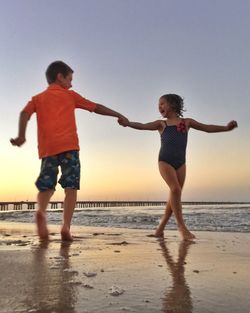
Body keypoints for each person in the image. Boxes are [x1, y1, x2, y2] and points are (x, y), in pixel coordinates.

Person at [11, 60, 128, 241]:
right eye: (70, 79)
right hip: (69, 148)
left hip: (48, 149)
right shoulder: (70, 95)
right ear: (60, 77)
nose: (71, 84)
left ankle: (41, 212)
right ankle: (66, 226)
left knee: (46, 185)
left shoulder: (38, 98)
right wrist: (118, 114)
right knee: (71, 187)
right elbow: (96, 107)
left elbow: (24, 114)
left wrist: (21, 136)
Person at [119, 94, 238, 240]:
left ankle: (159, 230)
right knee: (175, 190)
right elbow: (143, 126)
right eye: (159, 104)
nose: (159, 107)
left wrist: (226, 128)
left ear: (173, 105)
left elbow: (207, 128)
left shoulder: (187, 122)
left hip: (181, 163)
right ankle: (182, 227)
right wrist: (128, 123)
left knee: (174, 195)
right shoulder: (161, 124)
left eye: (162, 104)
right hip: (165, 161)